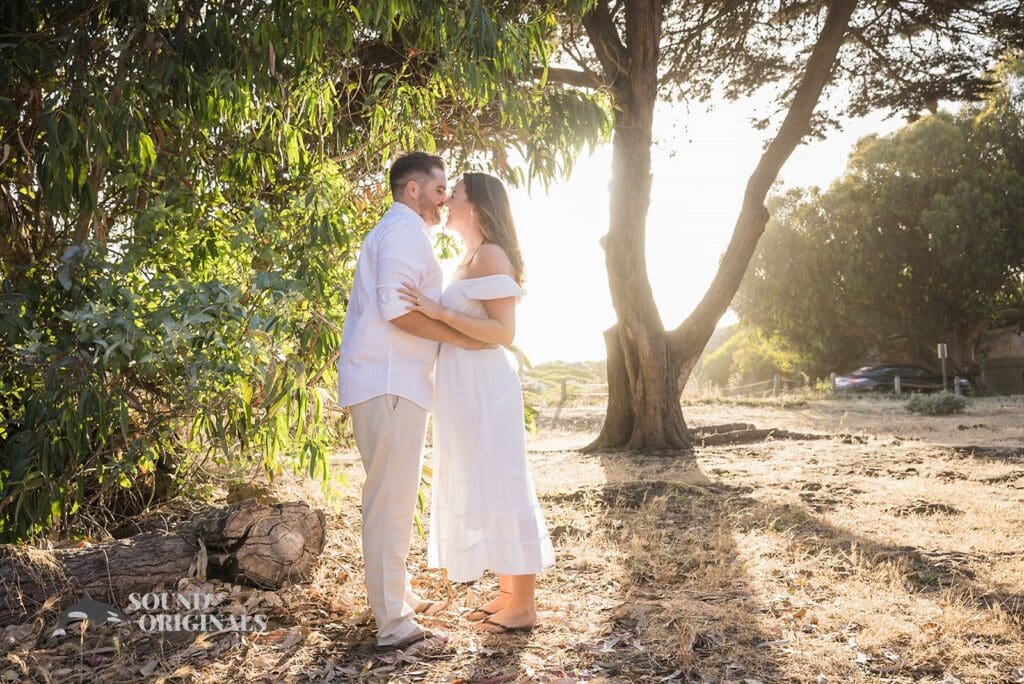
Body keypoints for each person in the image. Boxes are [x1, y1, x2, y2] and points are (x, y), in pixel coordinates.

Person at [337, 152, 490, 652]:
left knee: (392, 498)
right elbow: (397, 310)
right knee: (390, 503)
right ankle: (394, 625)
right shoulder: (403, 232)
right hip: (390, 382)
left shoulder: (398, 231)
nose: (445, 197)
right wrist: (462, 337)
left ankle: (395, 596)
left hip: (391, 382)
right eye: (440, 188)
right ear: (413, 190)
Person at [398, 172, 554, 634]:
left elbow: (503, 334)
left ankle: (523, 604)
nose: (446, 200)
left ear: (478, 206)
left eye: (456, 194)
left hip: (486, 385)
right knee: (483, 480)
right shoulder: (470, 256)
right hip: (464, 384)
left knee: (502, 482)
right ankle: (508, 593)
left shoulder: (490, 255)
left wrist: (436, 310)